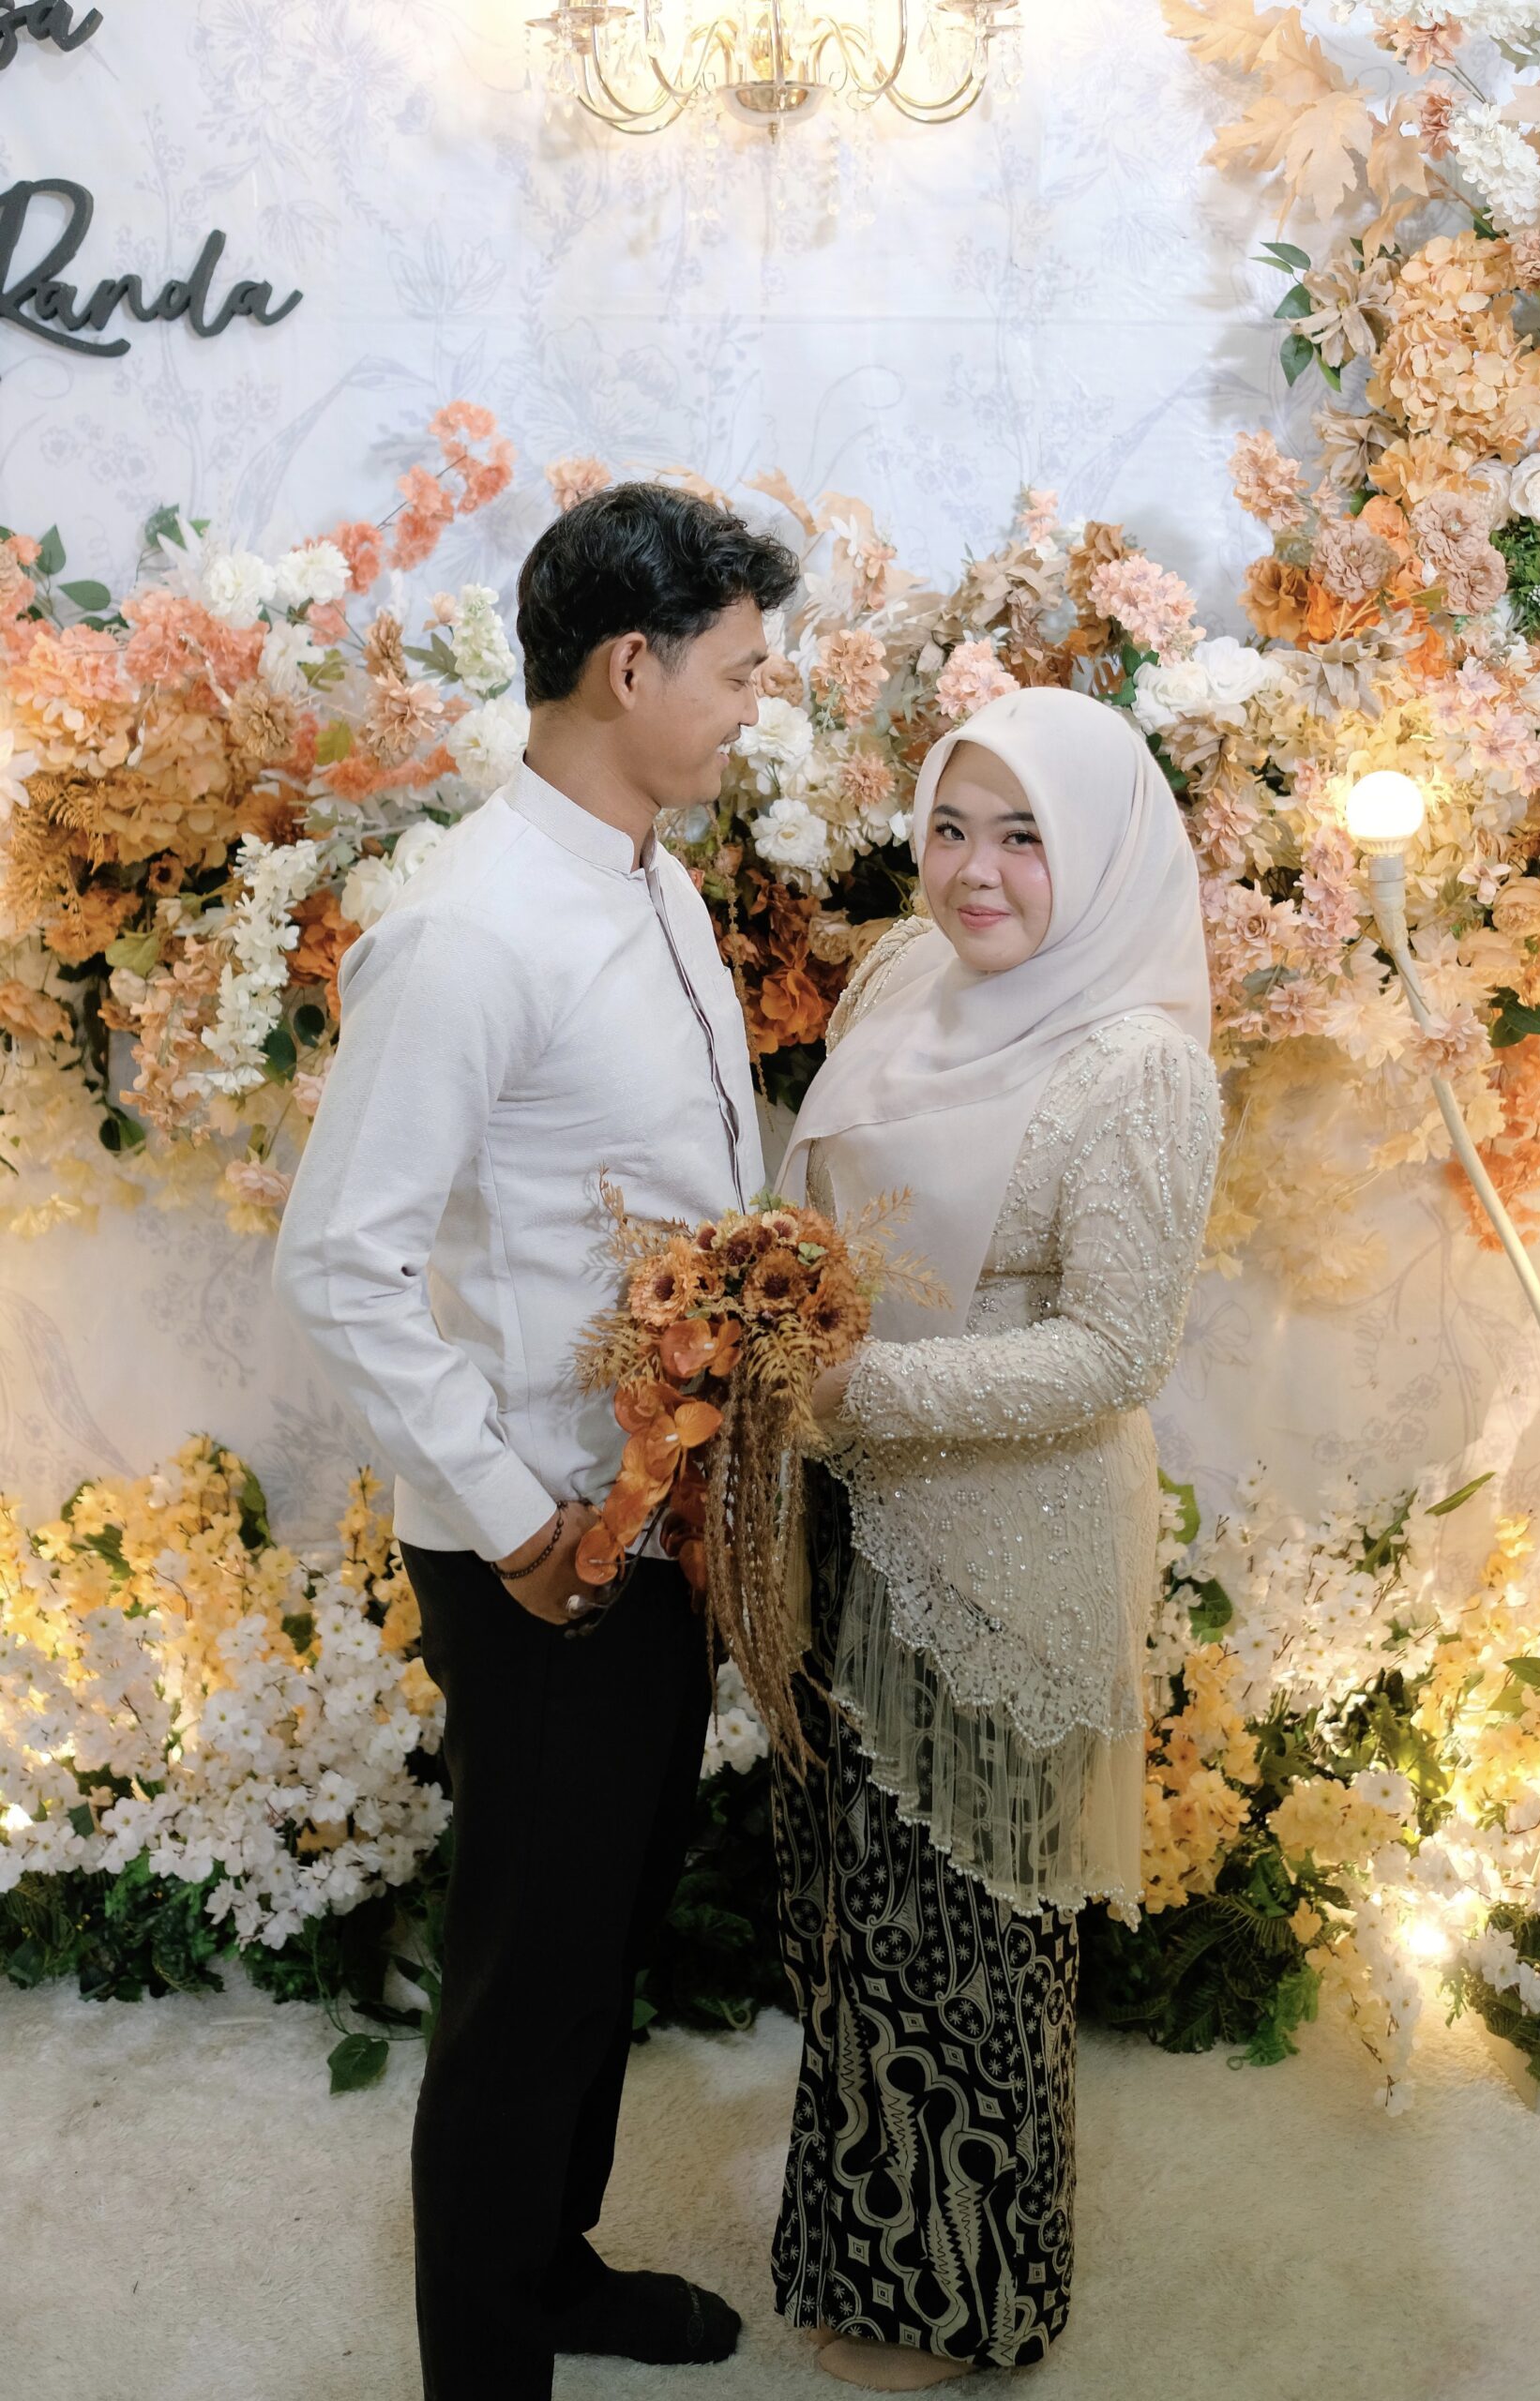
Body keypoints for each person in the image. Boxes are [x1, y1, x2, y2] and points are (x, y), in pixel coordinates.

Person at [272, 482, 799, 2401]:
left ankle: (546, 2264)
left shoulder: (645, 874)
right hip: (550, 1539)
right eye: (736, 669)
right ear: (629, 667)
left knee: (601, 1927)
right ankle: (483, 2363)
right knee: (526, 1969)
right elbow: (341, 1257)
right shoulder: (471, 930)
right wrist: (516, 1523)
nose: (756, 705)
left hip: (656, 1510)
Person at [770, 687, 1220, 2391]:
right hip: (845, 1511)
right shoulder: (903, 977)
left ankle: (967, 2298)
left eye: (1024, 836)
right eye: (950, 828)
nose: (974, 872)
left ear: (1098, 853)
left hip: (1003, 1550)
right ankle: (861, 2253)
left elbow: (1113, 1354)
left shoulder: (1139, 1069)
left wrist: (854, 1390)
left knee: (965, 1933)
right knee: (853, 1912)